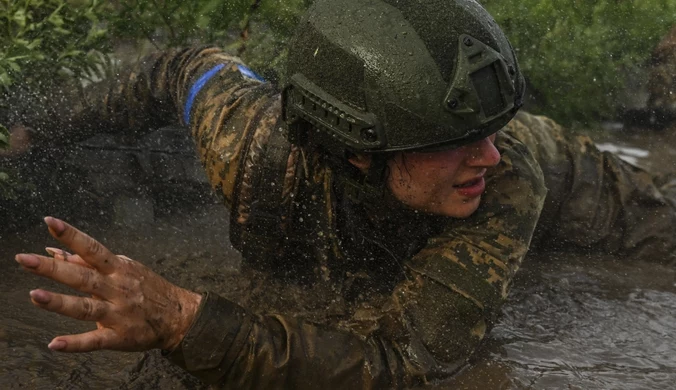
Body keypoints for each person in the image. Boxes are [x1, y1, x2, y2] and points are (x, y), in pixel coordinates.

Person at [9, 0, 676, 388]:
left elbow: (407, 364)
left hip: (594, 198)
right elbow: (176, 70)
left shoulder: (504, 178)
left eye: (491, 133)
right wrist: (36, 130)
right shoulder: (247, 141)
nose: (488, 155)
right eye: (455, 141)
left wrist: (185, 321)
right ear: (357, 147)